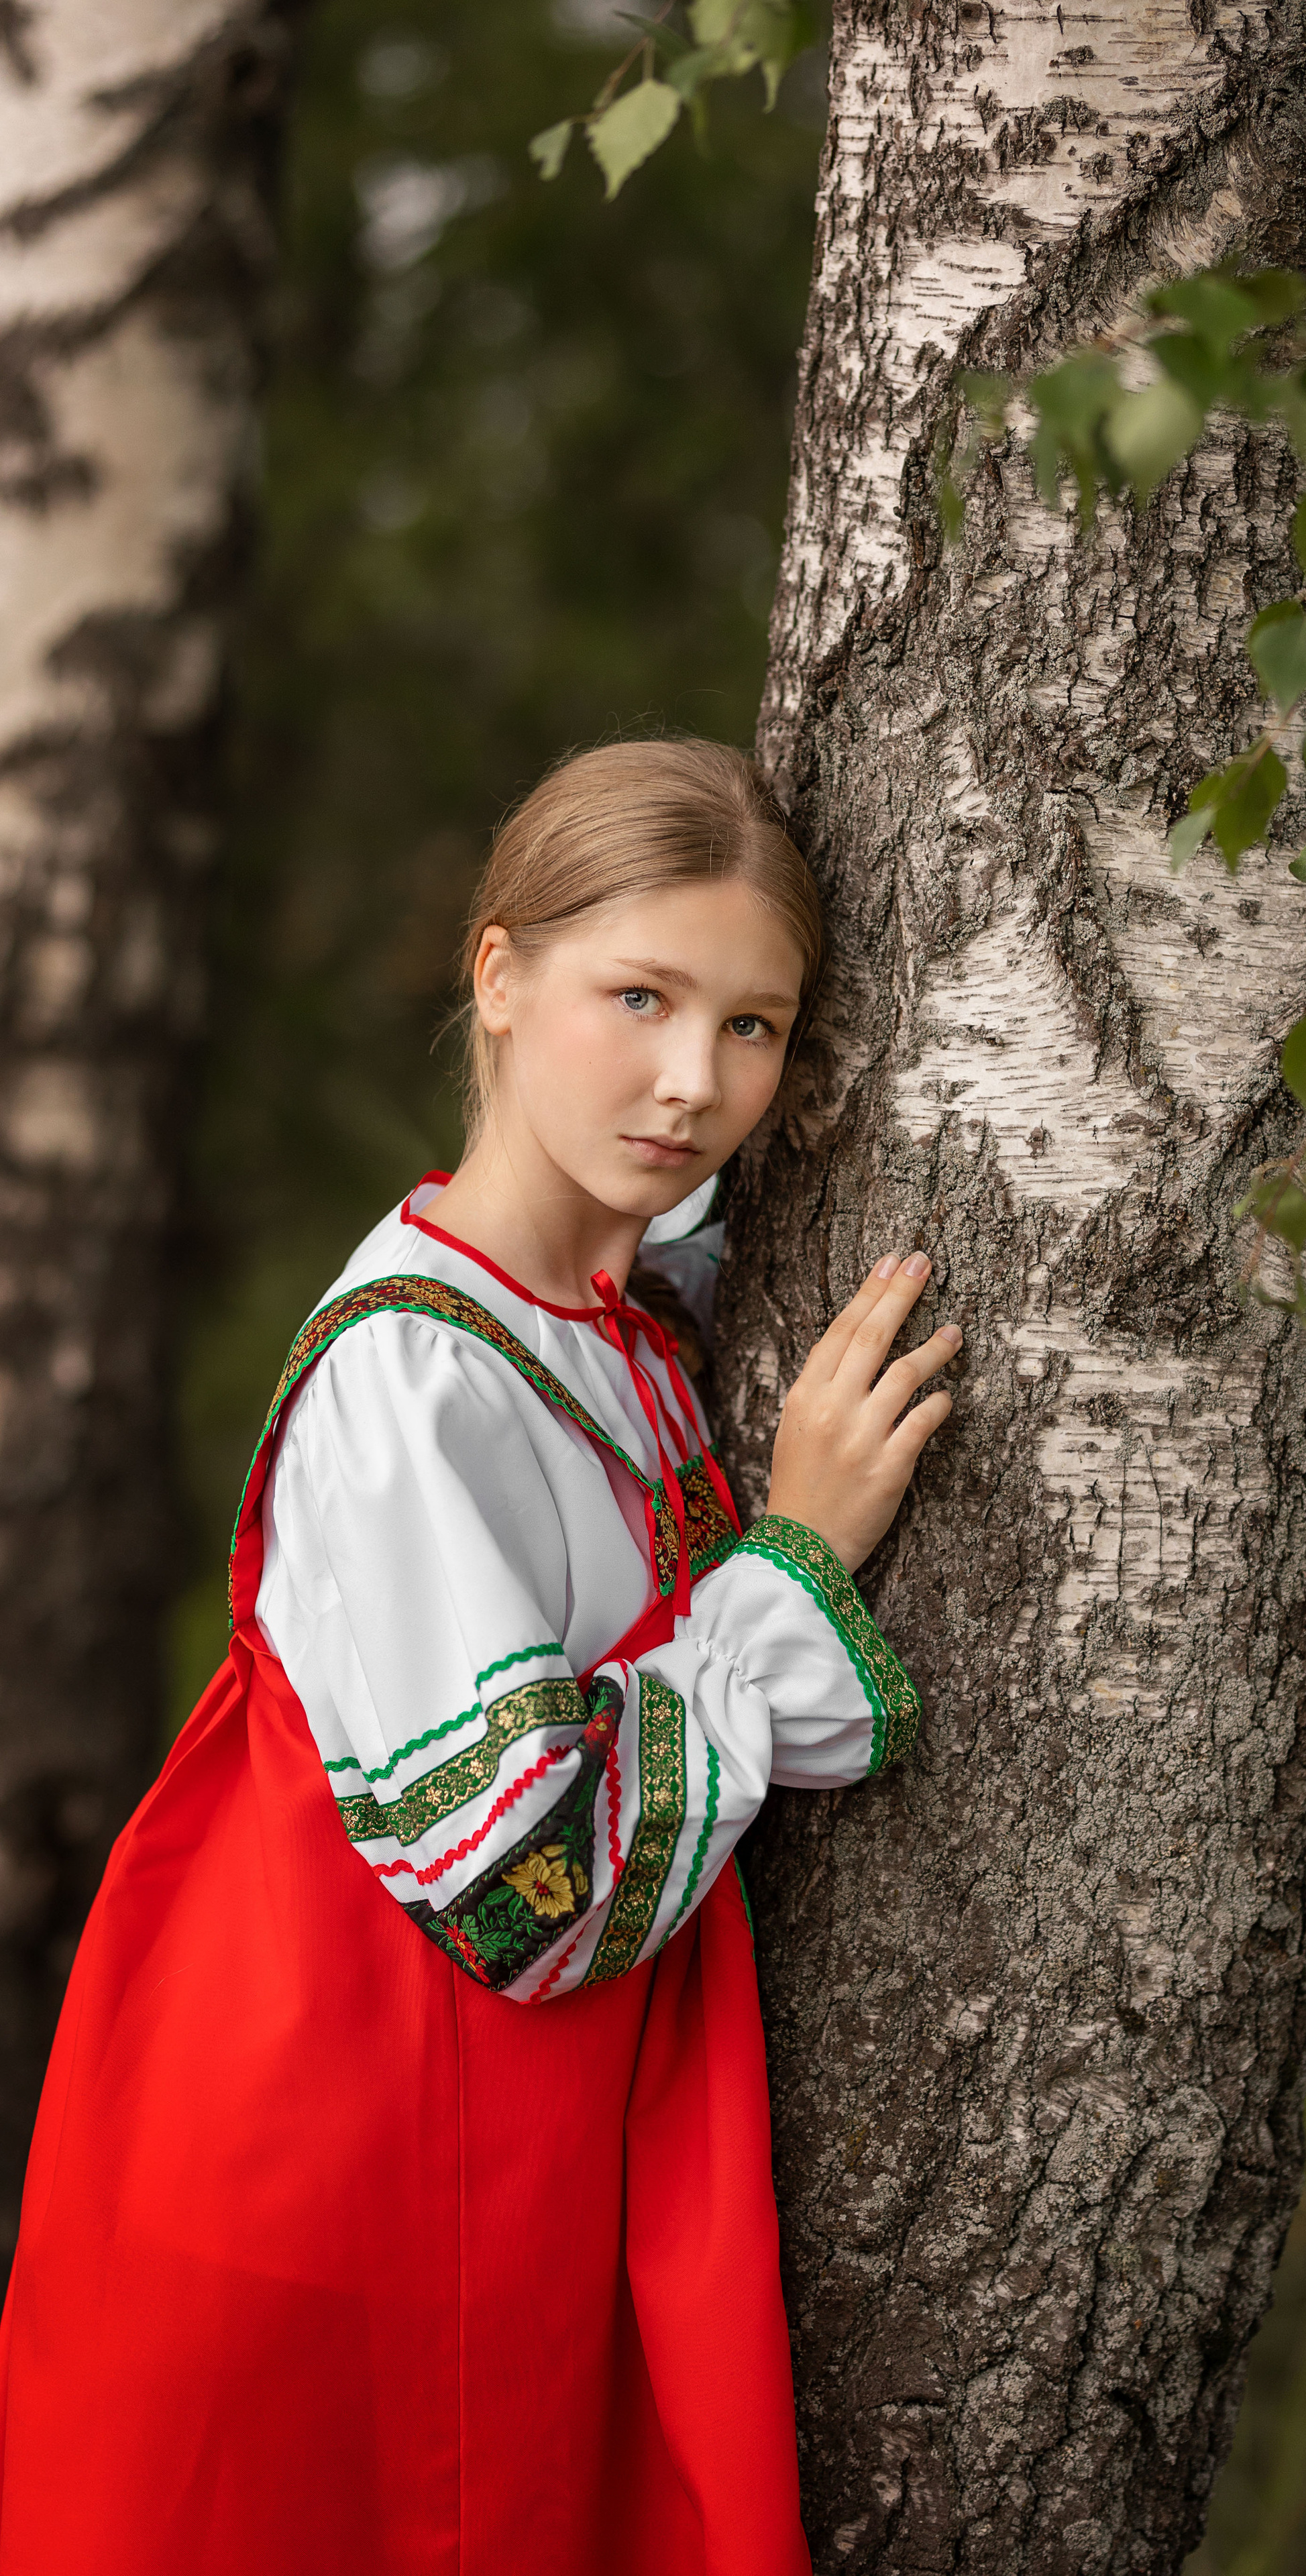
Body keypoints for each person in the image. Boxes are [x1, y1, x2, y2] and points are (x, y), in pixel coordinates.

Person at [0, 739, 958, 2573]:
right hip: (352, 2187)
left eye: (752, 1026)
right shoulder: (407, 1382)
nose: (693, 1081)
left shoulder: (631, 1311)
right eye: (640, 998)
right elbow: (530, 1892)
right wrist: (796, 1559)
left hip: (499, 2173)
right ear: (499, 978)